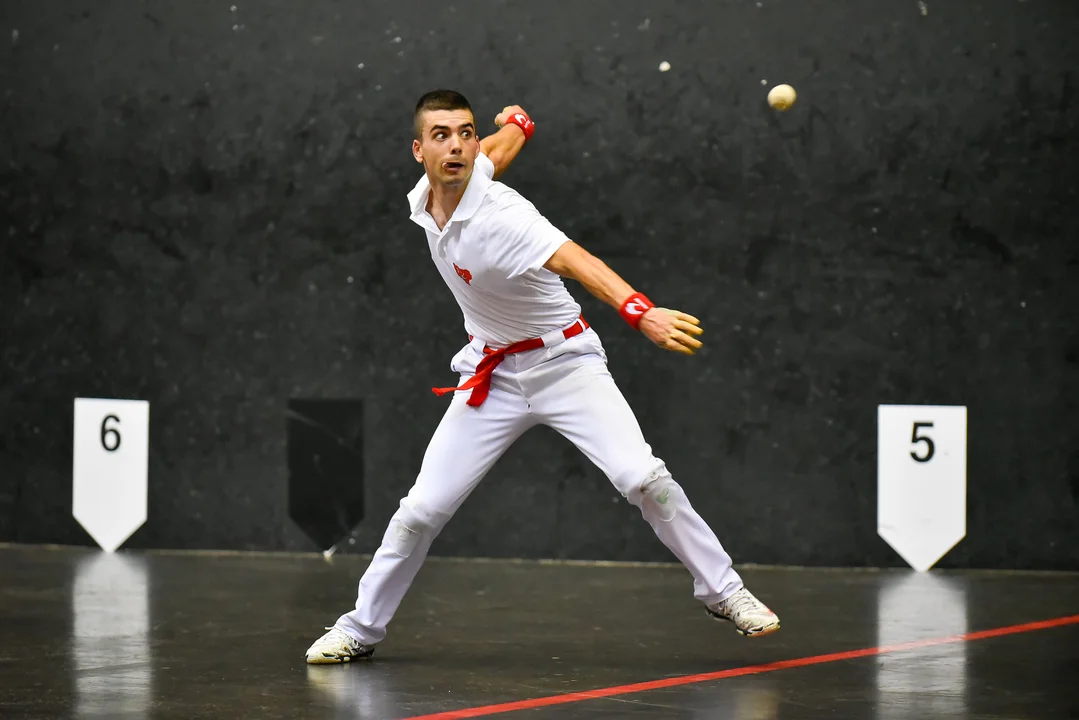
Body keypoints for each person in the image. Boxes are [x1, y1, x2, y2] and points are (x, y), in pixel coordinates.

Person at [305, 90, 780, 664]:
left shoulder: (504, 217)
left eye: (466, 134)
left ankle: (725, 592)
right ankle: (360, 628)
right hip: (492, 374)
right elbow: (496, 152)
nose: (456, 147)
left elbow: (580, 262)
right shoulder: (432, 192)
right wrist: (520, 125)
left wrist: (641, 312)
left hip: (564, 364)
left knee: (642, 478)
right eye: (442, 135)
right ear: (418, 150)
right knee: (420, 511)